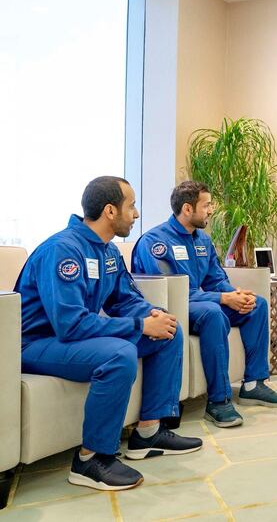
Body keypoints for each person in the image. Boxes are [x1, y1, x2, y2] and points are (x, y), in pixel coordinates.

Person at [15, 176, 202, 491]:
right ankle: (90, 460)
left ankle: (148, 433)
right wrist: (141, 326)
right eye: (131, 206)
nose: (137, 214)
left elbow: (125, 300)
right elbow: (70, 325)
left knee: (169, 330)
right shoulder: (63, 250)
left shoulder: (108, 252)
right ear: (110, 211)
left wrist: (151, 315)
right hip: (37, 344)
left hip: (70, 339)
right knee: (120, 355)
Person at [132, 181, 277, 428]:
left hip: (200, 302)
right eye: (206, 205)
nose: (211, 210)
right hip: (170, 309)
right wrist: (221, 299)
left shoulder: (202, 241)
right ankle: (219, 401)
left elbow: (216, 279)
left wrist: (235, 294)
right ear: (187, 209)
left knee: (256, 304)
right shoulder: (155, 242)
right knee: (213, 313)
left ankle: (253, 384)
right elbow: (170, 293)